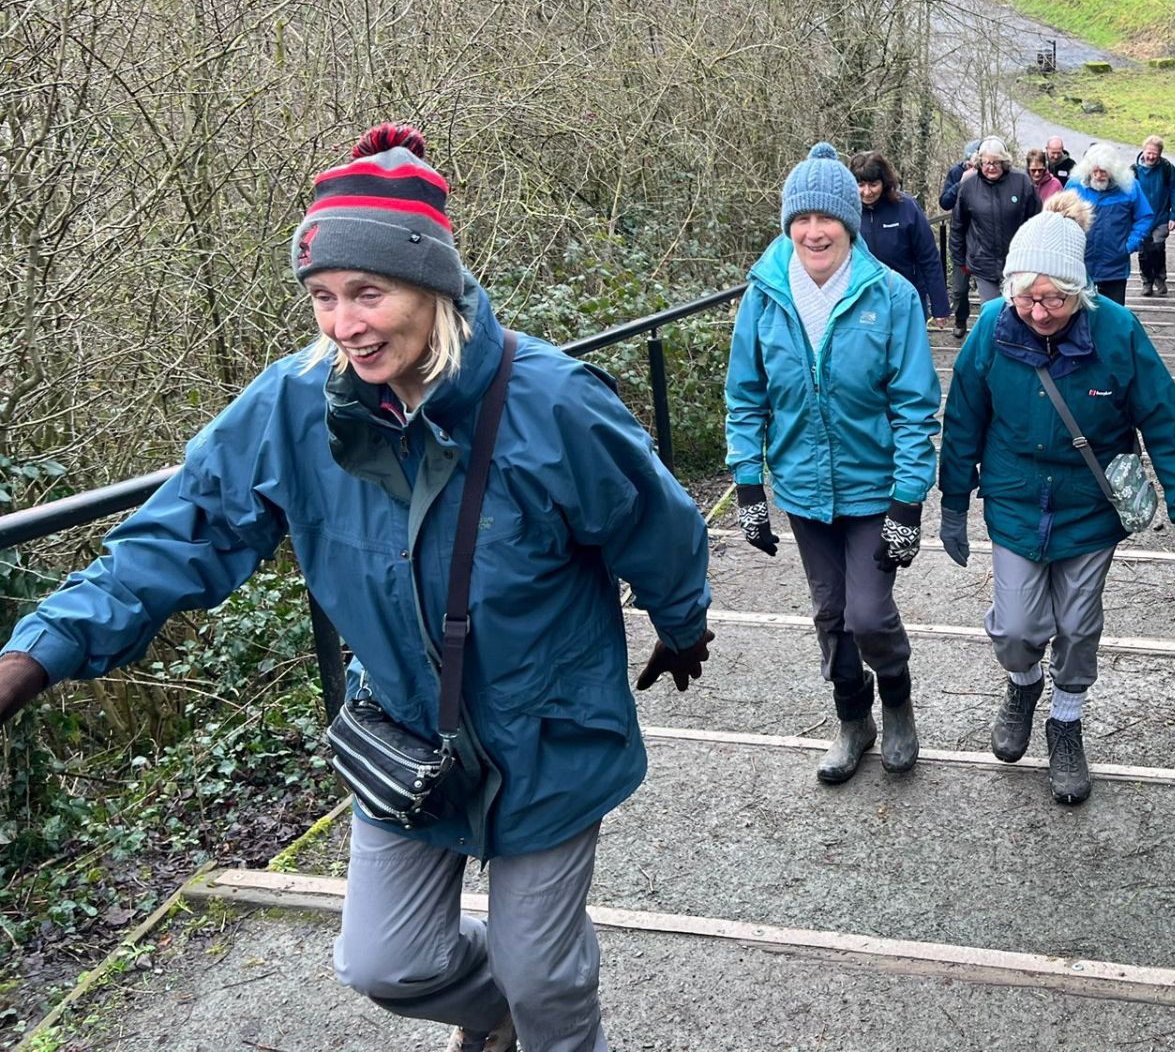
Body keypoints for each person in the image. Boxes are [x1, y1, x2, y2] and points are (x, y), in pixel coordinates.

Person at [0, 124, 714, 1052]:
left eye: (368, 292)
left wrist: (683, 619)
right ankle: (491, 1015)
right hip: (408, 730)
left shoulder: (553, 404)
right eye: (324, 297)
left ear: (435, 287)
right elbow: (181, 535)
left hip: (550, 730)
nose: (344, 324)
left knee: (545, 971)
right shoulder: (294, 405)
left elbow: (655, 525)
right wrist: (35, 655)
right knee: (385, 962)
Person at [936, 194, 1175, 805]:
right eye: (1026, 298)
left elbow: (1169, 426)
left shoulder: (1117, 332)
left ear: (1081, 291)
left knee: (1076, 623)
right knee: (1016, 627)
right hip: (1014, 501)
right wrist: (954, 502)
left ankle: (1065, 722)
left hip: (1090, 507)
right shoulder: (990, 329)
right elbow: (961, 419)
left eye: (1054, 299)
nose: (1038, 312)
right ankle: (1023, 682)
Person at [725, 143, 942, 785]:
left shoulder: (891, 296)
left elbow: (913, 404)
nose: (815, 232)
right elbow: (745, 397)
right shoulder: (764, 297)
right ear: (789, 224)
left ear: (849, 222)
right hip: (803, 488)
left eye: (828, 219)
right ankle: (854, 720)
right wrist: (747, 487)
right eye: (803, 219)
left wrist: (908, 502)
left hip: (874, 487)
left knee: (867, 614)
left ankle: (897, 702)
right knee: (829, 616)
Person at [852, 149, 950, 327]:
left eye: (873, 184)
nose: (867, 192)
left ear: (884, 182)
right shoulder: (847, 212)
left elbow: (928, 257)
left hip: (905, 295)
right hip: (863, 299)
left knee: (908, 351)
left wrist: (939, 305)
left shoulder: (906, 207)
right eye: (861, 185)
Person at [951, 136, 1039, 304]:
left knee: (1016, 309)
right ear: (979, 163)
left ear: (1004, 162)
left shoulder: (1022, 182)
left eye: (996, 162)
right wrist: (960, 259)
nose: (991, 167)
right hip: (983, 263)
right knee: (992, 311)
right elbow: (958, 225)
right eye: (986, 163)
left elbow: (1035, 219)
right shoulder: (969, 186)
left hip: (1018, 262)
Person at [1066, 142, 1155, 305]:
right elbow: (1061, 217)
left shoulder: (1129, 187)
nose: (1098, 175)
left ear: (1113, 171)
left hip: (1115, 265)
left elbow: (1145, 217)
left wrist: (1130, 244)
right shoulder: (1075, 186)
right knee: (1079, 315)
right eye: (1095, 171)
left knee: (1113, 315)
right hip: (1081, 264)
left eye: (1103, 171)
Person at [939, 139, 982, 341]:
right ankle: (960, 320)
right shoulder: (957, 172)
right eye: (970, 164)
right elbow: (945, 202)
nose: (973, 169)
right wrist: (961, 182)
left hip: (984, 240)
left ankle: (988, 325)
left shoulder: (991, 177)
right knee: (959, 289)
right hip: (961, 239)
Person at [1133, 136, 1175, 298]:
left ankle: (1160, 279)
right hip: (1141, 219)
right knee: (1144, 251)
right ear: (1143, 151)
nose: (1151, 157)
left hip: (1161, 217)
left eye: (1155, 154)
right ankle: (1147, 281)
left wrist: (1174, 216)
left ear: (1160, 154)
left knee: (1158, 247)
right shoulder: (1134, 171)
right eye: (1149, 153)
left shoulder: (1167, 168)